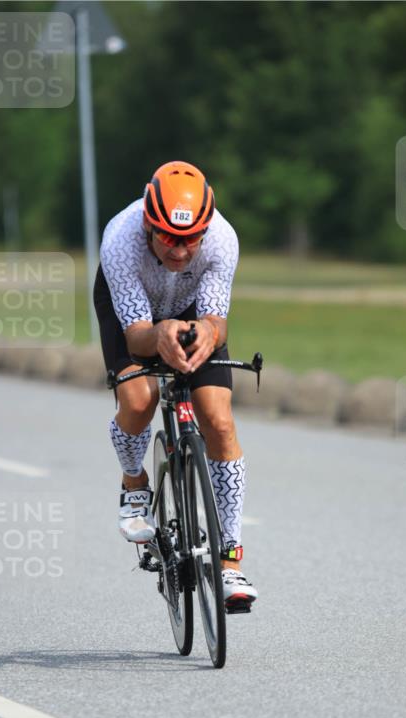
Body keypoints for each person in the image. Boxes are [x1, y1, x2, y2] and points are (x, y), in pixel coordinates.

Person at [94, 160, 257, 608]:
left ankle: (229, 564)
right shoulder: (120, 240)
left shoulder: (222, 240)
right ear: (149, 225)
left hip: (189, 309)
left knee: (219, 423)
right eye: (168, 237)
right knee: (140, 398)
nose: (180, 250)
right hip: (133, 314)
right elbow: (136, 336)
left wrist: (207, 333)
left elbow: (216, 320)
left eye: (190, 239)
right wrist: (158, 334)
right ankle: (134, 483)